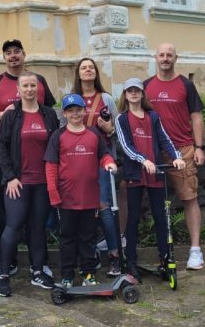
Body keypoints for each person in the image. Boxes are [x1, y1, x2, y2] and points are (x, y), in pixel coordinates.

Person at [0, 39, 56, 279]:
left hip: (39, 165)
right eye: (8, 53)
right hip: (7, 161)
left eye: (17, 52)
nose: (13, 56)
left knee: (38, 220)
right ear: (4, 58)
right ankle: (6, 263)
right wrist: (6, 113)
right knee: (8, 217)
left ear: (24, 55)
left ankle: (38, 265)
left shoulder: (39, 81)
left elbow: (50, 116)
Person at [0, 72, 60, 296]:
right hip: (18, 182)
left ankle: (38, 271)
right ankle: (3, 274)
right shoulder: (12, 116)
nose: (30, 89)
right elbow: (1, 147)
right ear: (19, 90)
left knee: (38, 228)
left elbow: (56, 145)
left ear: (38, 89)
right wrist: (10, 176)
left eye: (33, 85)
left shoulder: (49, 114)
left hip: (42, 182)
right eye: (26, 86)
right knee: (12, 227)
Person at [143, 43, 205, 270]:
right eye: (161, 55)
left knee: (189, 198)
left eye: (169, 55)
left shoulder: (185, 85)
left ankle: (195, 250)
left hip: (182, 149)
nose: (165, 58)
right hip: (153, 152)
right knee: (154, 201)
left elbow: (196, 116)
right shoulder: (146, 86)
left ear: (175, 58)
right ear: (156, 57)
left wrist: (199, 147)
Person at [115, 78, 185, 279]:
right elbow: (126, 146)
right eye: (130, 91)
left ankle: (165, 259)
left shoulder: (153, 116)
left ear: (142, 94)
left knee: (161, 218)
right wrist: (143, 160)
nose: (134, 93)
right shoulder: (122, 119)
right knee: (133, 218)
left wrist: (176, 158)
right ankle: (131, 261)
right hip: (136, 175)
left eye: (137, 90)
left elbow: (164, 138)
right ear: (126, 95)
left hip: (156, 174)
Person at [45, 94, 116, 288]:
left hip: (89, 198)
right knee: (67, 238)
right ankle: (67, 275)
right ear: (65, 114)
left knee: (88, 237)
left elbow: (104, 156)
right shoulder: (58, 136)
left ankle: (89, 274)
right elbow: (51, 166)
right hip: (66, 198)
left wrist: (109, 163)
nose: (75, 113)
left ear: (84, 111)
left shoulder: (94, 134)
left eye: (78, 110)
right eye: (71, 110)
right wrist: (53, 193)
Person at [72, 57, 121, 276]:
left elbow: (118, 131)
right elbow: (64, 131)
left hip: (102, 161)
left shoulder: (107, 99)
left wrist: (109, 128)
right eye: (84, 67)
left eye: (91, 67)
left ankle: (114, 256)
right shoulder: (72, 100)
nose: (88, 70)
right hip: (78, 162)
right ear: (78, 74)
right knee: (81, 209)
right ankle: (88, 255)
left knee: (104, 208)